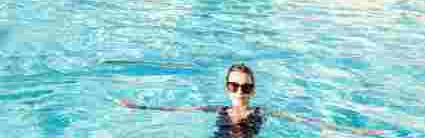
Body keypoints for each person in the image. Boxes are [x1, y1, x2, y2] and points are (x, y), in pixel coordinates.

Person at [116, 63, 384, 136]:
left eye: (245, 87)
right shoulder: (216, 109)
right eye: (234, 86)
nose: (239, 92)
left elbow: (309, 121)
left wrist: (357, 131)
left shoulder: (261, 112)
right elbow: (174, 109)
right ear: (227, 88)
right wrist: (139, 107)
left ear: (253, 90)